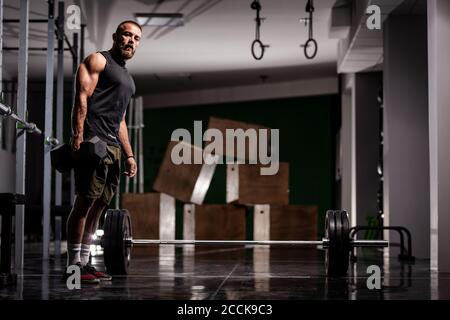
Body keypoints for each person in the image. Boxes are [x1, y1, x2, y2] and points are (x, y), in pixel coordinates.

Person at [65, 21, 141, 283]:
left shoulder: (127, 79)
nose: (131, 40)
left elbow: (120, 120)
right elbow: (81, 97)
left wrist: (129, 155)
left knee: (100, 207)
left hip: (113, 147)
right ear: (116, 36)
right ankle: (73, 266)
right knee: (84, 203)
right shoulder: (98, 60)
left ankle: (85, 263)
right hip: (94, 142)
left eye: (136, 38)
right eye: (127, 34)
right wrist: (78, 134)